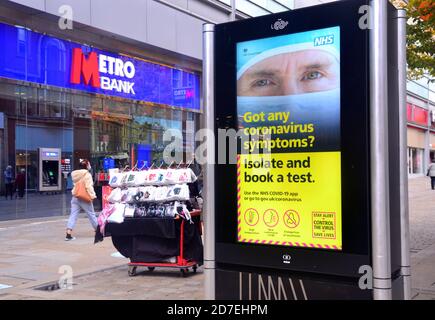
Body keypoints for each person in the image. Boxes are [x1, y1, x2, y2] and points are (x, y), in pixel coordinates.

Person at [65, 159, 98, 241]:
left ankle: (68, 233)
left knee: (73, 215)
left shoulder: (74, 174)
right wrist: (93, 196)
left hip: (75, 196)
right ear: (87, 166)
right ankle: (98, 231)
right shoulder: (87, 175)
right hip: (84, 197)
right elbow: (88, 187)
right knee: (91, 214)